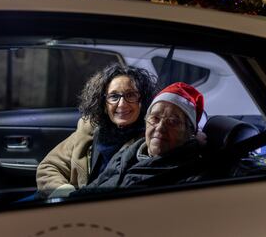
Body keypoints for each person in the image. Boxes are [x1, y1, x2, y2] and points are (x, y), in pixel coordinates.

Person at [36, 63, 157, 197]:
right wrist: (67, 194)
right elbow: (49, 167)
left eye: (131, 95)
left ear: (143, 101)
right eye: (114, 96)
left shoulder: (148, 142)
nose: (122, 104)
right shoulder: (88, 129)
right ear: (104, 104)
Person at [73, 82, 207, 192]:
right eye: (154, 118)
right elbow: (94, 188)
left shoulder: (190, 179)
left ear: (189, 133)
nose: (160, 127)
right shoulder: (127, 154)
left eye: (172, 121)